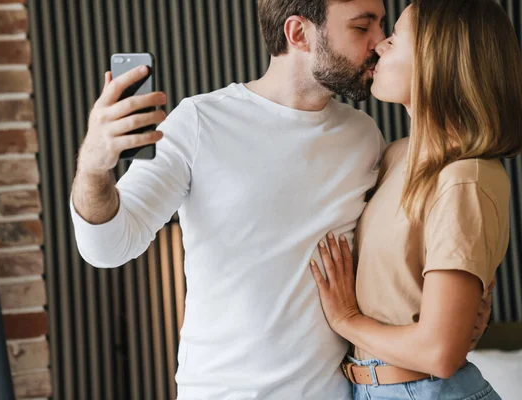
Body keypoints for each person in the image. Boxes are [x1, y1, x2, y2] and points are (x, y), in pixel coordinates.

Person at [70, 0, 491, 398]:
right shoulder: (199, 123)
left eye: (383, 25)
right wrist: (93, 166)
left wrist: (464, 306)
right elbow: (107, 248)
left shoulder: (365, 138)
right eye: (362, 26)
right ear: (299, 33)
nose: (378, 42)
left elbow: (402, 252)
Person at [309, 0, 522, 399]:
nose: (379, 46)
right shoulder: (396, 156)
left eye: (396, 36)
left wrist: (346, 319)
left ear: (438, 57)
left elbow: (439, 354)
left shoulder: (464, 179)